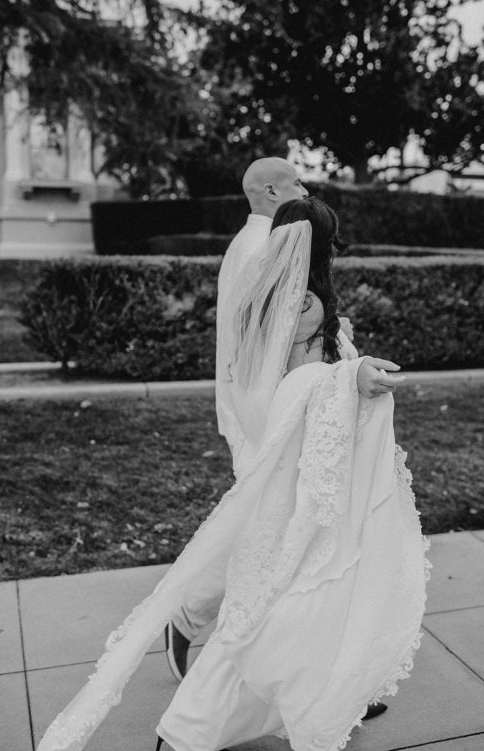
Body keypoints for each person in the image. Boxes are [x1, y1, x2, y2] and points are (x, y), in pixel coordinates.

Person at [38, 198, 429, 751]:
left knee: (282, 600)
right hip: (297, 481)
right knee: (279, 603)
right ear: (318, 244)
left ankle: (330, 698)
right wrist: (352, 376)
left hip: (289, 468)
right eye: (332, 240)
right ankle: (189, 732)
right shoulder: (307, 304)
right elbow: (298, 389)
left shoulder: (264, 294)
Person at [165, 158, 405, 694]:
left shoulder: (265, 244)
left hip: (275, 412)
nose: (306, 186)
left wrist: (332, 342)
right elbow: (265, 353)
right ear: (271, 190)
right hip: (269, 418)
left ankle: (315, 676)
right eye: (297, 181)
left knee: (283, 535)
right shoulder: (262, 250)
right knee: (271, 538)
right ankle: (196, 623)